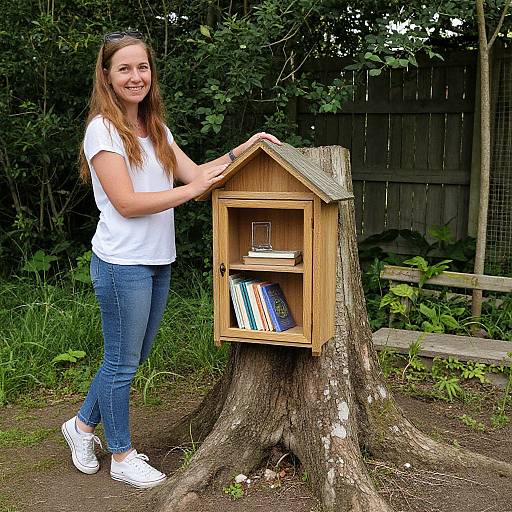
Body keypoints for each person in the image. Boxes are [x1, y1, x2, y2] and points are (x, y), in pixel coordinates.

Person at [61, 30, 281, 490]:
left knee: (130, 357)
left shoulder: (156, 128)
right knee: (122, 362)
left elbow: (197, 174)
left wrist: (247, 148)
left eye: (142, 67)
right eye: (124, 68)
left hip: (158, 260)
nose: (135, 76)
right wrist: (192, 191)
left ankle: (81, 426)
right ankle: (120, 454)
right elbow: (126, 202)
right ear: (106, 75)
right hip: (122, 263)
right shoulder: (102, 131)